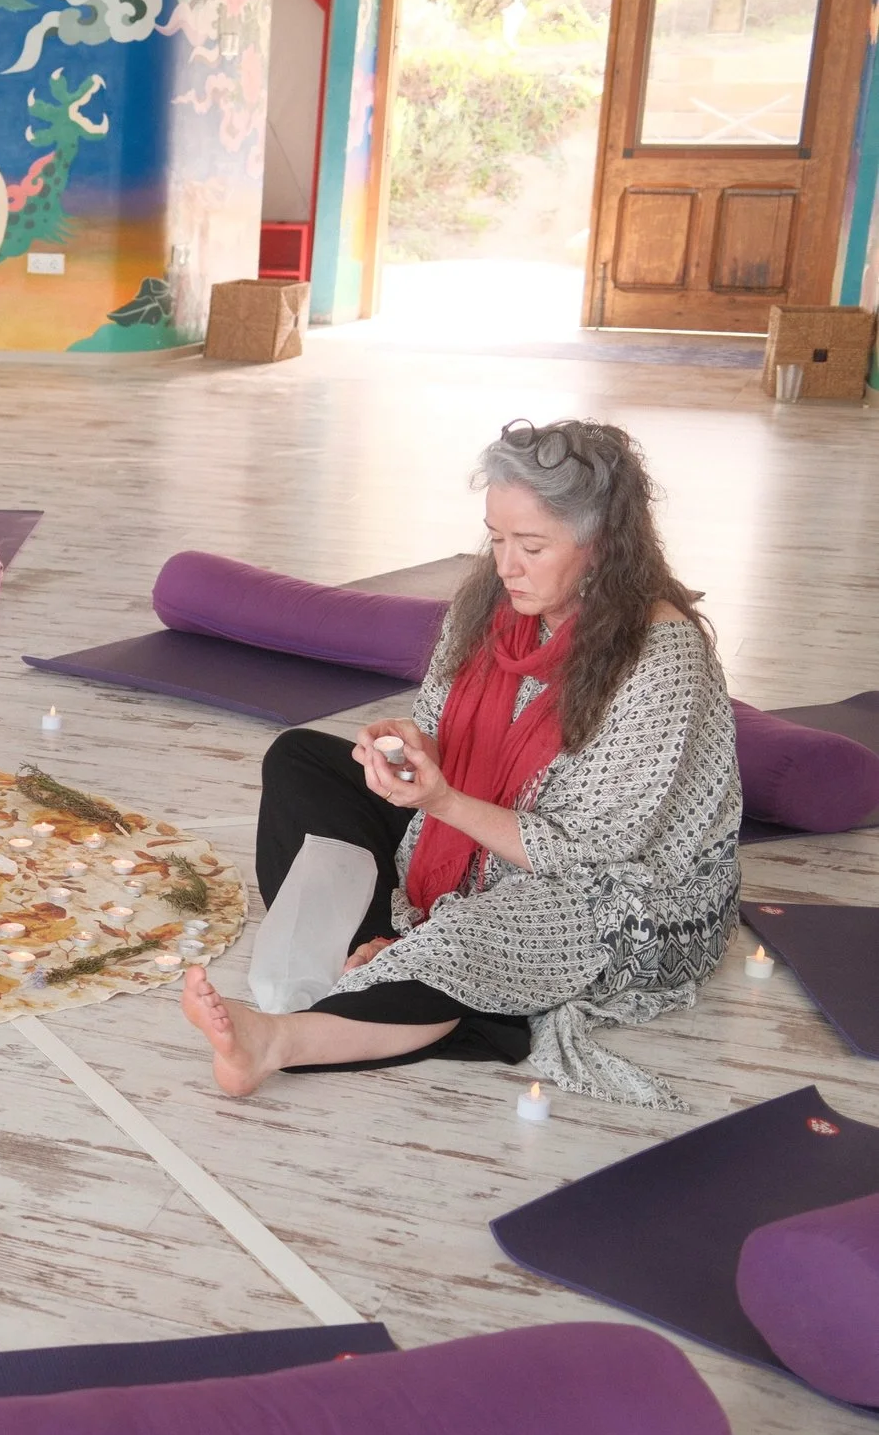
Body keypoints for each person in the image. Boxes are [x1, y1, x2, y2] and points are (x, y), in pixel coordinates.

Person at [181, 419, 740, 1105]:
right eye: (496, 538)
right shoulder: (492, 604)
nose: (506, 566)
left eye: (531, 546)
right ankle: (382, 950)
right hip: (480, 835)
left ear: (601, 545)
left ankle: (278, 1039)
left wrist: (442, 800)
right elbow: (447, 732)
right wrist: (411, 749)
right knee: (301, 761)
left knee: (502, 927)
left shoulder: (660, 658)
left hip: (616, 892)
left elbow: (591, 855)